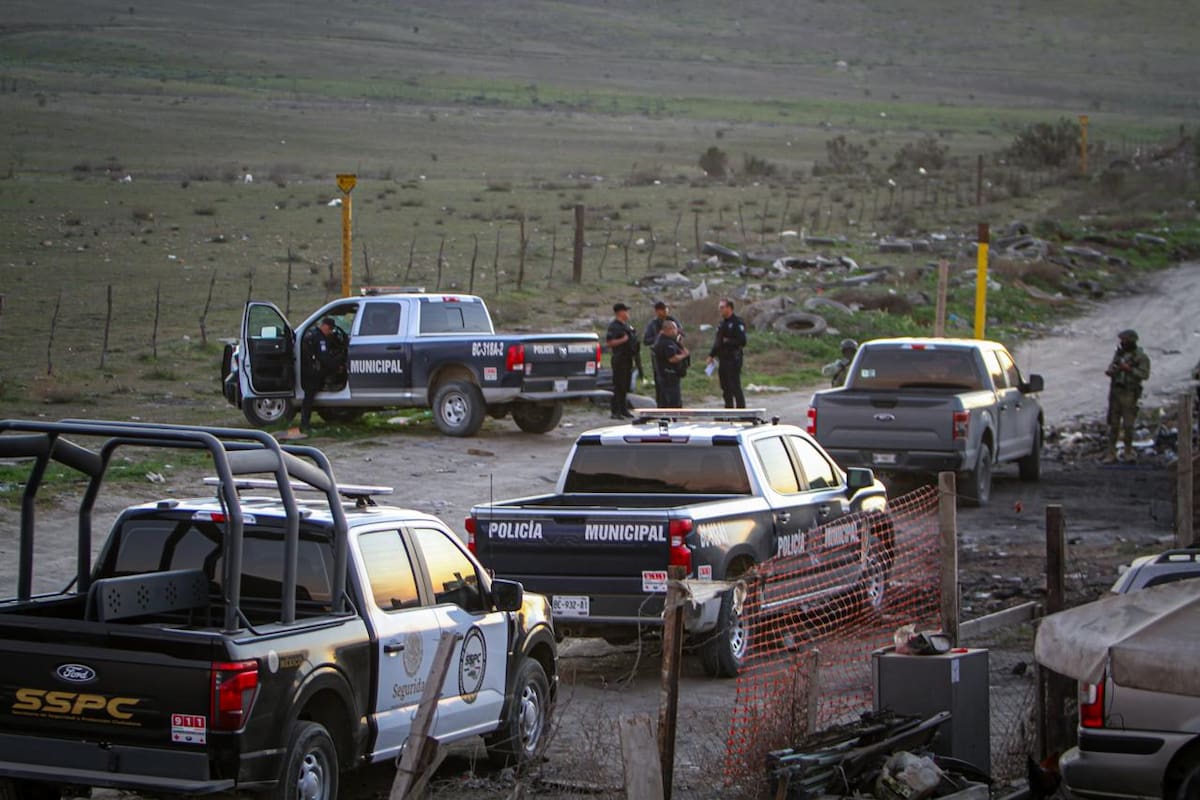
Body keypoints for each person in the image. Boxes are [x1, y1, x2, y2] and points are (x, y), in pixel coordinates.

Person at [1103, 328, 1151, 463]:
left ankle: (1128, 452)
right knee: (1113, 425)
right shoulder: (1119, 354)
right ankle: (1111, 453)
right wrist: (1112, 371)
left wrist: (1129, 370)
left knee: (1128, 425)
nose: (1122, 343)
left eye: (1124, 340)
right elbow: (1112, 367)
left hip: (1129, 393)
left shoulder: (1141, 357)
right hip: (1116, 393)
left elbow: (1144, 374)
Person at [299, 316, 345, 433]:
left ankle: (305, 423)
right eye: (329, 329)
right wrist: (337, 367)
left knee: (308, 398)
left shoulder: (311, 334)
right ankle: (305, 424)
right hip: (313, 372)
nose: (330, 332)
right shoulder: (320, 339)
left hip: (308, 370)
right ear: (324, 326)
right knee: (309, 399)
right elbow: (324, 358)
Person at [706, 298, 747, 409]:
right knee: (725, 386)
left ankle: (741, 412)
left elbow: (742, 341)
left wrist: (728, 341)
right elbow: (718, 341)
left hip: (733, 358)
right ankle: (728, 410)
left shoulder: (737, 322)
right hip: (722, 359)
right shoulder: (722, 324)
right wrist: (711, 355)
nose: (720, 310)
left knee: (735, 386)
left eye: (722, 307)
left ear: (729, 308)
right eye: (720, 308)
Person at [643, 300, 683, 406]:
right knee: (660, 383)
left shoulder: (673, 321)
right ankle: (661, 406)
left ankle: (676, 407)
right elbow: (646, 340)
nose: (666, 311)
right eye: (663, 310)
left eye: (666, 309)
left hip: (673, 354)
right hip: (659, 358)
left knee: (675, 385)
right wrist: (659, 336)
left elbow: (681, 333)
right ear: (657, 311)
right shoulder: (653, 324)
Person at [606, 302, 638, 419]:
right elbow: (609, 342)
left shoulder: (626, 326)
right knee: (618, 385)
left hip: (628, 358)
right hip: (619, 359)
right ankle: (615, 411)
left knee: (625, 386)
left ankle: (624, 409)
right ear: (620, 312)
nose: (627, 313)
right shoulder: (614, 326)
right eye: (625, 311)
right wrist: (623, 340)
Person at [652, 319, 689, 408]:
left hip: (669, 375)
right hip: (668, 375)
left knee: (667, 400)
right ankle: (672, 417)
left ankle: (669, 416)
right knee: (672, 400)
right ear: (669, 329)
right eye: (675, 329)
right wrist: (684, 355)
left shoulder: (670, 341)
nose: (676, 331)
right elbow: (672, 358)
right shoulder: (666, 342)